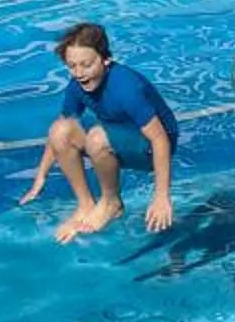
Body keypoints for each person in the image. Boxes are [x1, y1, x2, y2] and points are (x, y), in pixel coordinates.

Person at [22, 21, 177, 243]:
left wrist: (161, 197)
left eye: (86, 65)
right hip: (118, 137)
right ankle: (85, 205)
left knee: (97, 137)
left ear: (106, 59)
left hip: (152, 148)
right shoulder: (77, 85)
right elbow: (58, 133)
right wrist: (40, 177)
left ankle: (111, 203)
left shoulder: (126, 88)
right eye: (72, 66)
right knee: (61, 130)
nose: (79, 73)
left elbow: (160, 139)